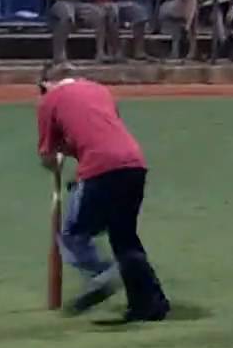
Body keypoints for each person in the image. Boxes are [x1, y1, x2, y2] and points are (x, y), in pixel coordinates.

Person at [37, 72, 170, 322]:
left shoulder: (49, 99)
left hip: (100, 169)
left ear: (47, 83)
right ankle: (150, 304)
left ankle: (104, 273)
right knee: (124, 237)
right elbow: (99, 134)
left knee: (72, 235)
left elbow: (47, 158)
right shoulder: (100, 90)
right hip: (134, 164)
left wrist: (56, 160)